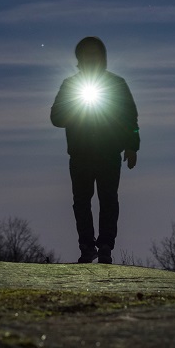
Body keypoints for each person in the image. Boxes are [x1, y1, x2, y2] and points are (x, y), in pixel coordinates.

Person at [50, 36, 140, 264]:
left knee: (108, 200)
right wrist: (74, 108)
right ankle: (87, 246)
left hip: (109, 153)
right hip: (80, 155)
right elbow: (56, 117)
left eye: (95, 55)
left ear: (102, 58)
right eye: (86, 55)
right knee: (81, 201)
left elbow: (130, 118)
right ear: (80, 59)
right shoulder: (70, 85)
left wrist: (132, 146)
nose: (91, 59)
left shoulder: (117, 84)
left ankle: (106, 245)